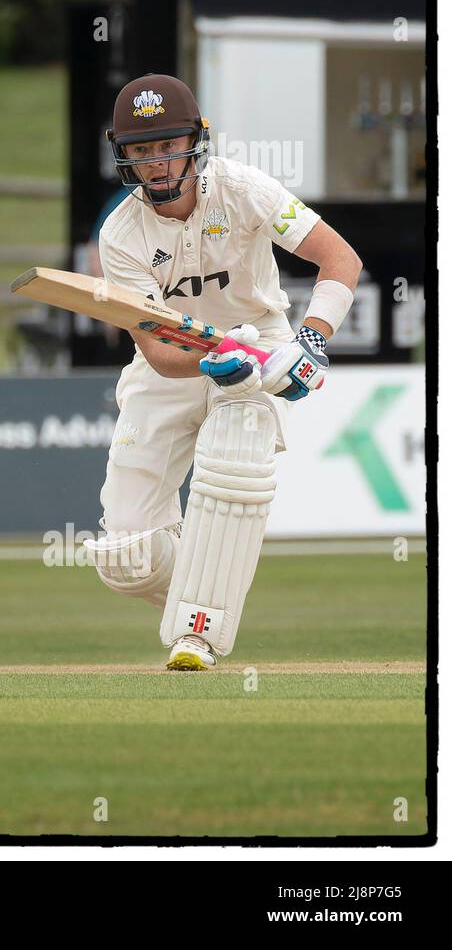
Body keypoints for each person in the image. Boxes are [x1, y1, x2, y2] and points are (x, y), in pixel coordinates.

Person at [90, 74, 362, 671]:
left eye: (167, 147)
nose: (157, 165)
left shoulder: (243, 188)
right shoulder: (121, 236)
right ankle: (208, 576)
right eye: (141, 152)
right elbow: (160, 353)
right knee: (124, 559)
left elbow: (340, 258)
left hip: (259, 343)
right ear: (123, 157)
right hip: (173, 364)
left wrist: (311, 341)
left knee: (235, 451)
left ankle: (199, 634)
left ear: (196, 141)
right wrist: (214, 356)